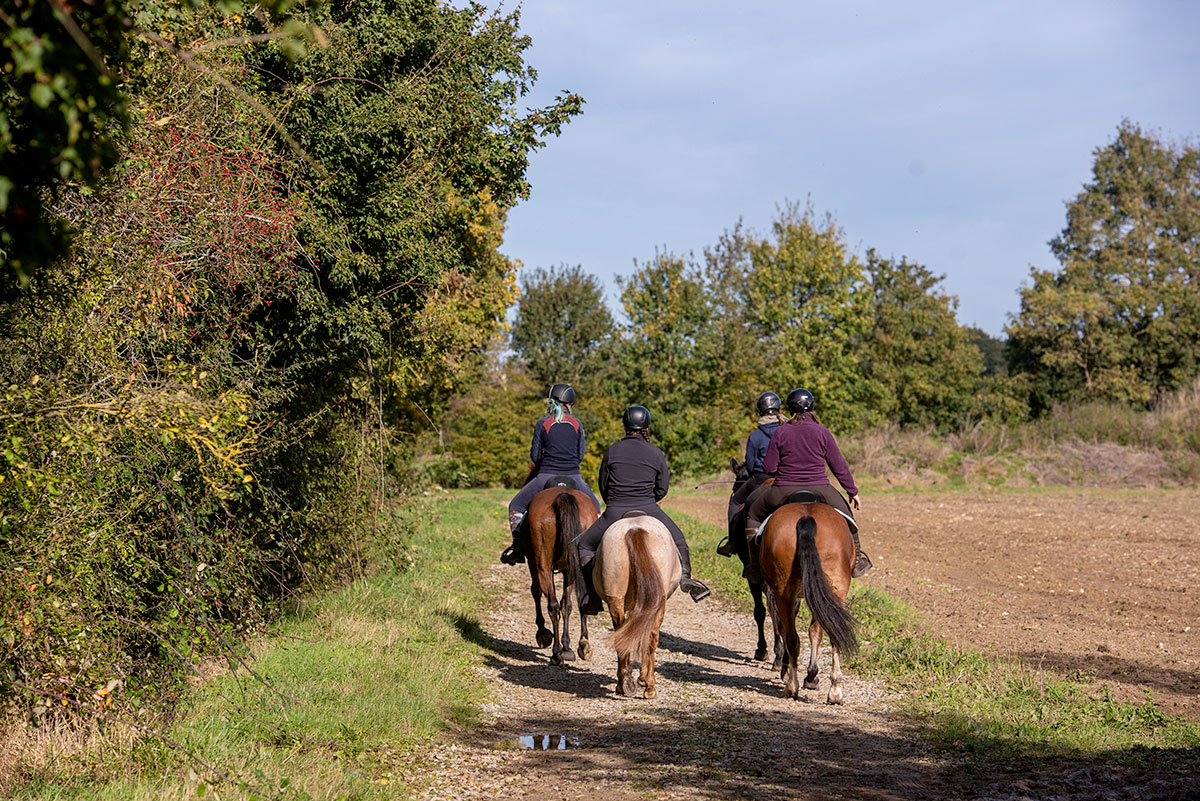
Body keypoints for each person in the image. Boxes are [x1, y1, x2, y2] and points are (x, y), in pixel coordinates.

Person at [576, 405, 711, 610]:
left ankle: (591, 597)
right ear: (646, 426)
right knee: (680, 540)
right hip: (649, 508)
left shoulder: (612, 450)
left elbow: (603, 485)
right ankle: (685, 580)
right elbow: (663, 487)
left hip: (615, 510)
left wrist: (613, 501)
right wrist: (649, 500)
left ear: (625, 426)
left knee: (584, 546)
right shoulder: (655, 452)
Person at [742, 387, 873, 581]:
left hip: (782, 489)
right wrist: (852, 491)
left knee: (752, 514)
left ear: (789, 408)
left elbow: (769, 467)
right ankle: (858, 558)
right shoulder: (822, 432)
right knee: (848, 517)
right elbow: (839, 466)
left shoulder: (781, 432)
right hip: (820, 488)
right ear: (811, 406)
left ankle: (754, 565)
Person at [500, 383, 601, 565]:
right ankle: (596, 549)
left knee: (515, 505)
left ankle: (517, 547)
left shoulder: (542, 423)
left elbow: (536, 456)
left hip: (545, 475)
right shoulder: (578, 424)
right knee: (596, 508)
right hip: (574, 477)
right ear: (570, 403)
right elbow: (580, 455)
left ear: (552, 401)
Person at [726, 390, 787, 523]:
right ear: (778, 408)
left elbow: (751, 465)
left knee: (735, 502)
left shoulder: (755, 436)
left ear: (760, 410)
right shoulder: (787, 431)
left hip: (761, 478)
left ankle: (732, 542)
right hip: (787, 476)